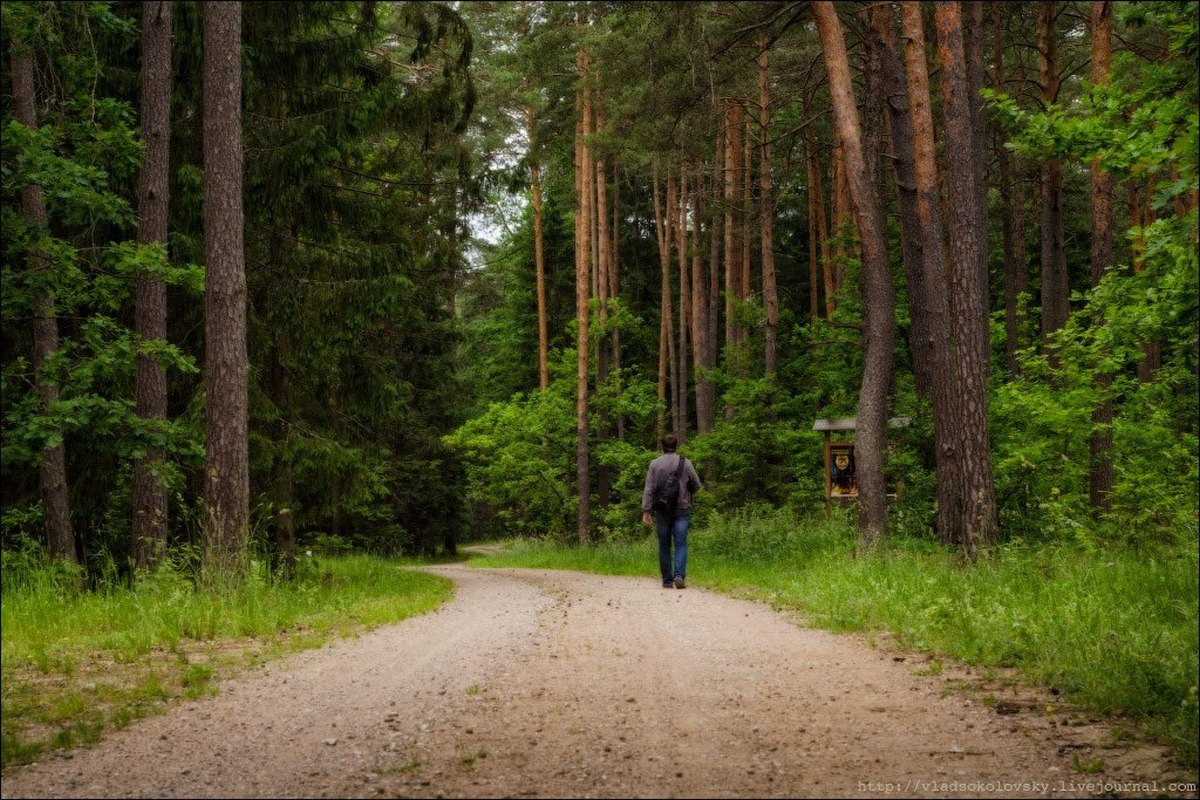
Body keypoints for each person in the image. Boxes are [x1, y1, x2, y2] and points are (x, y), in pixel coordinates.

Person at [641, 434, 702, 589]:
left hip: (662, 510)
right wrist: (687, 491)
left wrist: (646, 511)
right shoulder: (685, 463)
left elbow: (649, 489)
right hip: (682, 508)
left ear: (662, 447)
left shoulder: (655, 464)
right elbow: (697, 484)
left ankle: (667, 581)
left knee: (664, 545)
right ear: (676, 446)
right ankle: (679, 575)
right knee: (681, 543)